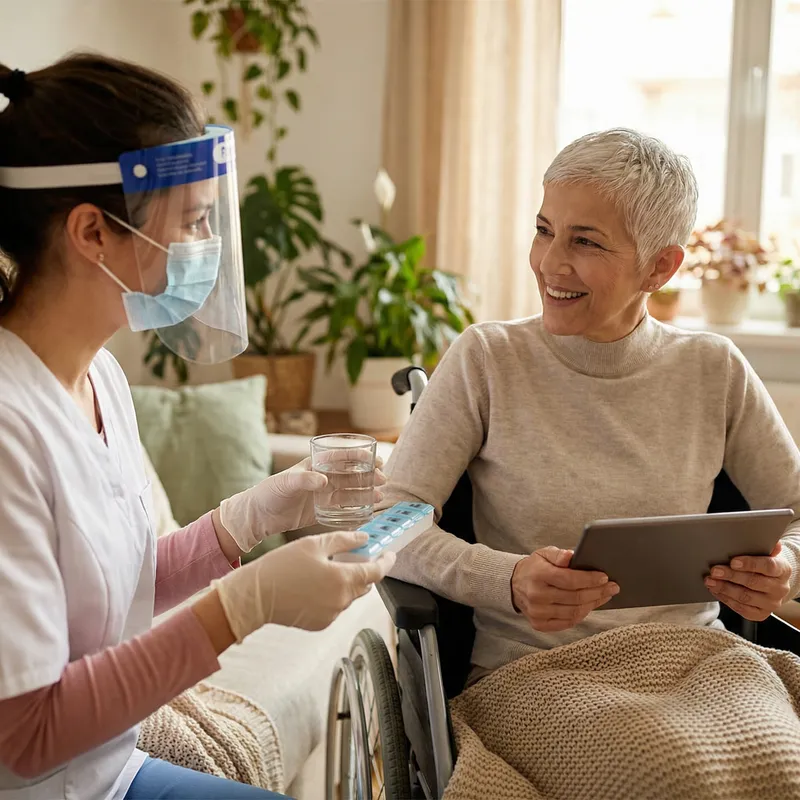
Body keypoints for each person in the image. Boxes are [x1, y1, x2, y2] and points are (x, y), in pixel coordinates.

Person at [0, 55, 394, 800]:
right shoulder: (7, 427)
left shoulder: (100, 379)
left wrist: (253, 516)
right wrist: (242, 607)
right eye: (193, 221)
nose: (206, 245)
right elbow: (27, 736)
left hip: (109, 773)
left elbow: (124, 583)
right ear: (92, 232)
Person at [382, 128, 800, 681]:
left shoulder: (713, 369)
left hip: (696, 667)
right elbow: (388, 521)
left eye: (586, 242)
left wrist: (786, 567)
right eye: (543, 230)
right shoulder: (487, 358)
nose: (550, 263)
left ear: (660, 268)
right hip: (534, 675)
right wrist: (506, 579)